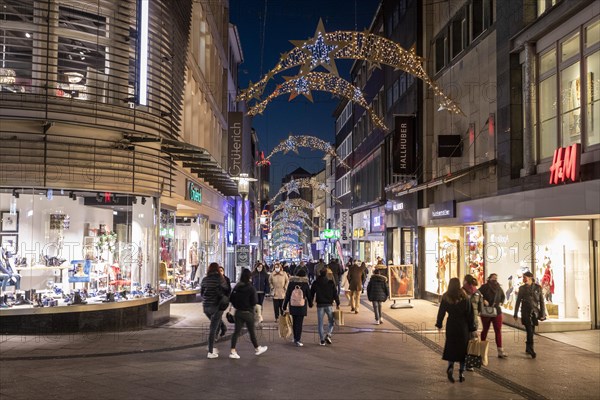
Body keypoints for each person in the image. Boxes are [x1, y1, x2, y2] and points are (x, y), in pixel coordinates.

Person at [435, 277, 477, 383]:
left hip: (451, 325)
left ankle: (450, 367)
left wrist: (439, 324)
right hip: (463, 326)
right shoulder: (464, 296)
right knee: (463, 349)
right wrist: (472, 328)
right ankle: (461, 372)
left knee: (451, 346)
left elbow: (441, 312)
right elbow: (470, 313)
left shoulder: (446, 296)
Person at [228, 268, 268, 359]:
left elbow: (231, 299)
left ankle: (233, 351)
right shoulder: (251, 288)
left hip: (238, 312)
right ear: (249, 277)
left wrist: (237, 305)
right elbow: (254, 301)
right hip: (248, 313)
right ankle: (257, 349)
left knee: (236, 332)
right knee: (251, 332)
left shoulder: (237, 286)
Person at [200, 262, 230, 359]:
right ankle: (210, 350)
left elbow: (201, 293)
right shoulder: (220, 279)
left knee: (214, 323)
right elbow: (227, 289)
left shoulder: (204, 279)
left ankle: (223, 327)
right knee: (213, 329)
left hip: (206, 307)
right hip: (217, 306)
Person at [514, 271, 546, 359]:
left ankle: (528, 347)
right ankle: (531, 349)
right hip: (525, 312)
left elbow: (541, 301)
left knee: (531, 330)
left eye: (525, 277)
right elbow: (518, 301)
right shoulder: (522, 288)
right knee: (530, 330)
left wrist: (542, 313)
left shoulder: (538, 288)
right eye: (523, 277)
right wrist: (515, 313)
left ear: (530, 278)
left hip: (534, 312)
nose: (523, 279)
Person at [479, 273, 507, 358]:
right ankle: (482, 350)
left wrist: (501, 302)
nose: (495, 279)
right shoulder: (484, 287)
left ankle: (500, 351)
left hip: (496, 311)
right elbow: (477, 294)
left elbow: (503, 296)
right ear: (489, 278)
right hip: (486, 311)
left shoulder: (498, 287)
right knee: (485, 330)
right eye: (493, 278)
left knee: (498, 330)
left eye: (496, 278)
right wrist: (483, 300)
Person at [282, 269, 313, 347]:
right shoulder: (305, 284)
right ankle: (297, 339)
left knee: (294, 322)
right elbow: (309, 295)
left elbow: (288, 295)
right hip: (301, 306)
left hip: (293, 305)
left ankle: (295, 338)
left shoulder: (291, 283)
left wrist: (284, 305)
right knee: (299, 323)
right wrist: (310, 303)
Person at [310, 268, 340, 345]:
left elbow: (311, 293)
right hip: (329, 305)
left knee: (320, 323)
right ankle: (328, 334)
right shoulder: (330, 282)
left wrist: (310, 302)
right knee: (331, 321)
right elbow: (335, 293)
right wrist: (337, 303)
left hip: (320, 305)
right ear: (326, 274)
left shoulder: (316, 282)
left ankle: (322, 340)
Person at [217, 265, 232, 339]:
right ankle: (223, 327)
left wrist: (227, 298)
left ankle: (215, 335)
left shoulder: (226, 279)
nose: (220, 272)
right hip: (216, 301)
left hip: (223, 301)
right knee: (217, 317)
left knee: (217, 317)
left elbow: (229, 290)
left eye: (221, 271)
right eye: (219, 271)